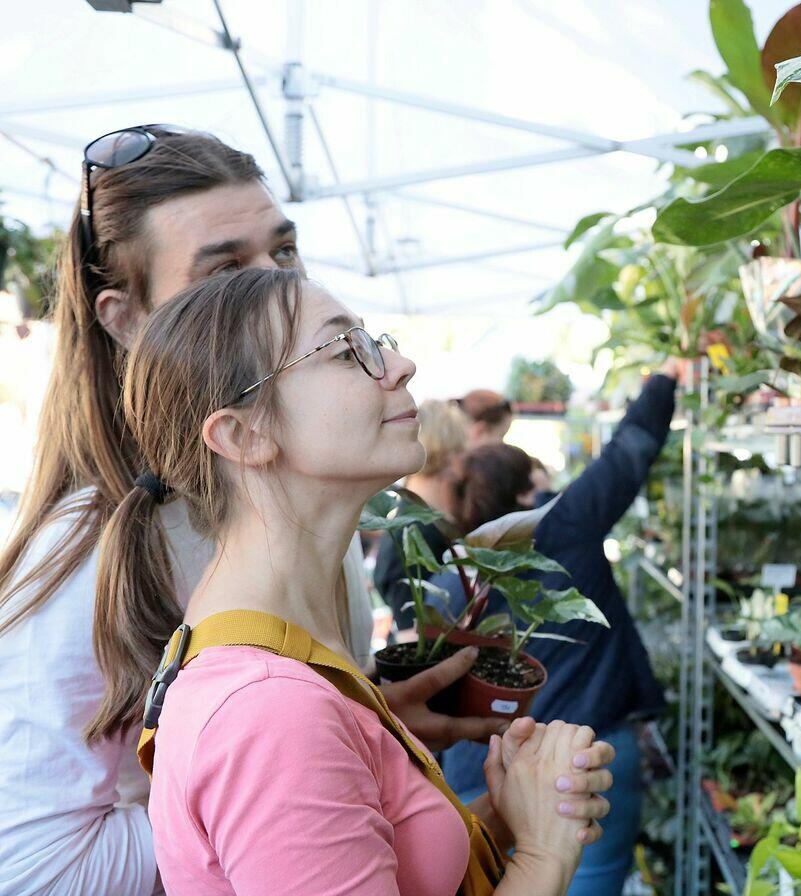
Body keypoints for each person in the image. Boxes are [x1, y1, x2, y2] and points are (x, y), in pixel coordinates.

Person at [0, 126, 611, 896]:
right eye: (225, 271)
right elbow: (32, 863)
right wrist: (297, 781)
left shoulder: (290, 514)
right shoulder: (84, 557)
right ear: (125, 319)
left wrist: (368, 748)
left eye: (284, 252)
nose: (274, 284)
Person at [107, 267, 610, 895]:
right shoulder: (270, 714)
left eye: (376, 343)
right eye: (347, 352)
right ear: (244, 434)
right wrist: (546, 850)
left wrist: (514, 813)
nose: (402, 366)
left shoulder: (281, 656)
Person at [438, 360, 684, 896]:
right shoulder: (563, 525)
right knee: (589, 880)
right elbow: (628, 454)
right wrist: (665, 378)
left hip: (479, 769)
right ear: (528, 493)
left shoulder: (447, 575)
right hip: (586, 755)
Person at [374, 398, 469, 630]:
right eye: (461, 449)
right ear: (449, 452)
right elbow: (411, 631)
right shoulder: (415, 528)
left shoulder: (422, 520)